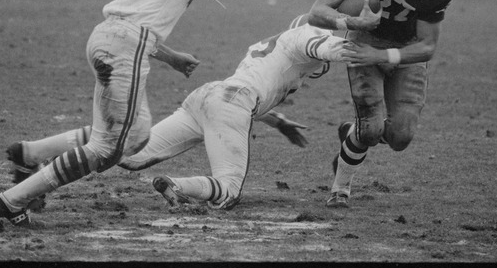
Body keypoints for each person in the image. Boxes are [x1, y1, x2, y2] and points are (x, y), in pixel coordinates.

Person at [0, 0, 263, 226]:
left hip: (110, 37)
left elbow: (134, 11)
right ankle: (14, 200)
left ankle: (30, 156)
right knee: (106, 150)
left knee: (135, 135)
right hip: (127, 46)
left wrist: (170, 56)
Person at [116, 15, 361, 209]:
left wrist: (278, 121)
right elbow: (327, 47)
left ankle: (87, 142)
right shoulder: (308, 33)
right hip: (231, 104)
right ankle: (176, 185)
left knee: (130, 155)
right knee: (228, 191)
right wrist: (385, 53)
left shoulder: (271, 47)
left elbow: (245, 91)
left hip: (208, 95)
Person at [307, 0, 455, 209]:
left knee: (401, 136)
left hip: (406, 49)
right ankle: (340, 189)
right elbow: (316, 13)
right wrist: (349, 21)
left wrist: (384, 57)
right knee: (371, 131)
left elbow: (427, 46)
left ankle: (353, 132)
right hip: (365, 42)